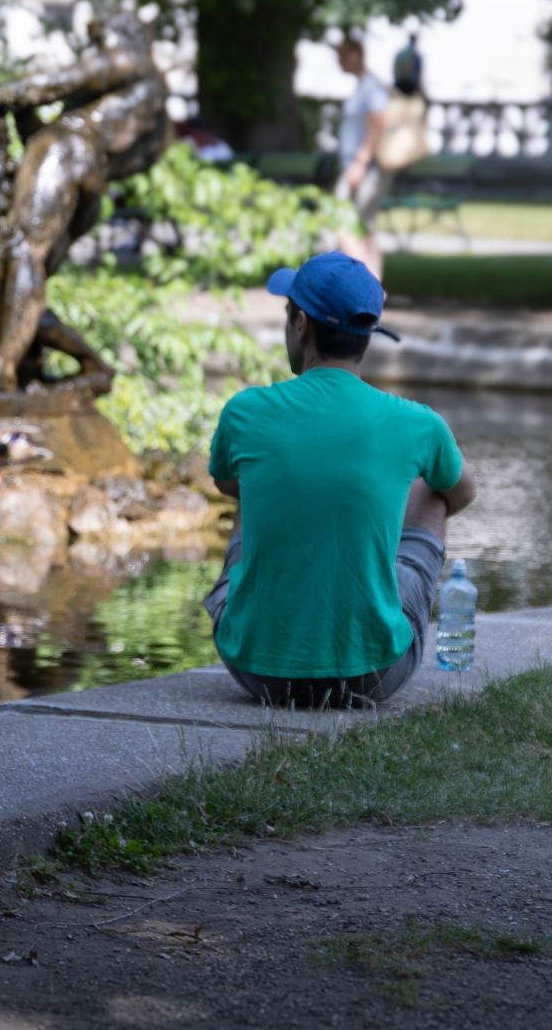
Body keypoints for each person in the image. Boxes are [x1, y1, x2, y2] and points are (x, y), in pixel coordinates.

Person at [204, 251, 476, 709]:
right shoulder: (418, 423)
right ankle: (368, 607)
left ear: (301, 324)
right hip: (373, 674)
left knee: (256, 490)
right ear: (367, 334)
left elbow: (227, 486)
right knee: (431, 489)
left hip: (257, 671)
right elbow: (463, 493)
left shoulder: (245, 411)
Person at [335, 33, 390, 278]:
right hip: (359, 165)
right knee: (363, 228)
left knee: (342, 221)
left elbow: (378, 125)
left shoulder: (371, 87)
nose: (339, 61)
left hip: (366, 167)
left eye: (342, 55)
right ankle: (374, 288)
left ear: (356, 55)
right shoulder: (363, 86)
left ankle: (364, 285)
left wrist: (360, 163)